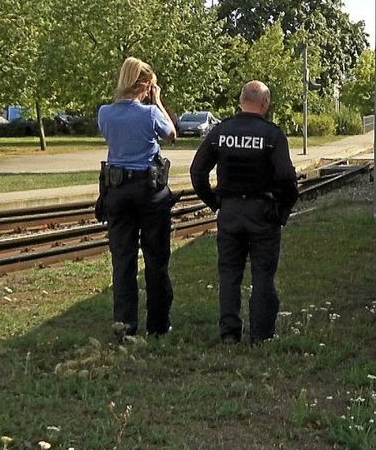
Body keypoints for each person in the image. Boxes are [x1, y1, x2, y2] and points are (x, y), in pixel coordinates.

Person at [190, 81, 298, 344]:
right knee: (262, 272)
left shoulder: (221, 131)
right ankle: (261, 334)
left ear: (241, 101)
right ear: (265, 104)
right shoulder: (272, 135)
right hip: (262, 211)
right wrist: (282, 208)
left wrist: (215, 202)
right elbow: (286, 177)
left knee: (229, 272)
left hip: (230, 211)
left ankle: (229, 332)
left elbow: (197, 171)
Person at [96, 56, 177, 340]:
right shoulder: (149, 113)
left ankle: (125, 324)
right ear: (144, 86)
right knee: (156, 259)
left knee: (123, 260)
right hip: (149, 190)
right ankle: (158, 324)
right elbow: (171, 134)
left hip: (117, 191)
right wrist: (157, 101)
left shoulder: (104, 113)